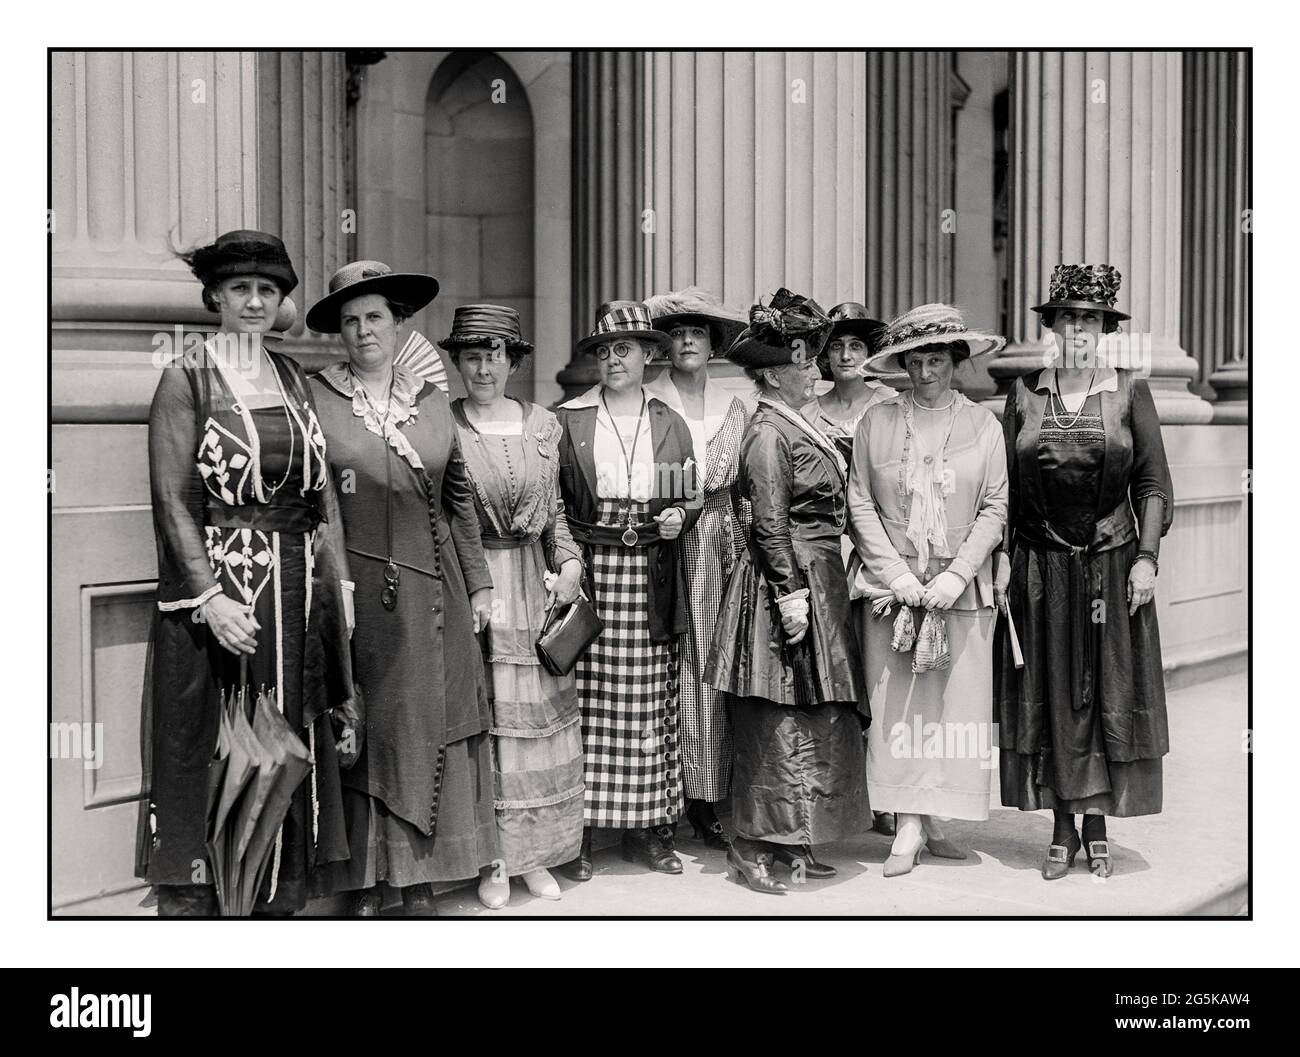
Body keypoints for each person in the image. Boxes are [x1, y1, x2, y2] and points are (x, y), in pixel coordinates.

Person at [137, 230, 360, 916]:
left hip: (296, 591)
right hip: (227, 601)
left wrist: (340, 586)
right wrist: (208, 598)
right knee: (221, 739)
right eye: (241, 289)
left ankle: (275, 895)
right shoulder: (188, 376)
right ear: (215, 297)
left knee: (287, 731)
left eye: (268, 290)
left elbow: (320, 489)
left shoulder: (293, 376)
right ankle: (212, 896)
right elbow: (173, 498)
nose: (256, 301)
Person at [307, 261, 499, 916]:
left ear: (398, 324)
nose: (364, 331)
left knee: (430, 725)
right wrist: (335, 585)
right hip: (359, 591)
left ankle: (420, 879)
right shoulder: (319, 398)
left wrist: (478, 583)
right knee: (373, 728)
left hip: (435, 591)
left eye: (375, 318)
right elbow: (318, 500)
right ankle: (368, 883)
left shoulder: (430, 401)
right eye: (351, 320)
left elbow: (458, 497)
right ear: (340, 330)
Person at [995, 264, 1174, 881]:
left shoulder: (1129, 391)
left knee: (1102, 691)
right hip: (1039, 568)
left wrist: (1146, 557)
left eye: (1090, 320)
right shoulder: (1023, 395)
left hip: (1111, 567)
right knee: (1050, 691)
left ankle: (1095, 825)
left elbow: (1151, 484)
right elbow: (1005, 491)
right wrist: (1000, 563)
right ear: (1052, 326)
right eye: (1068, 317)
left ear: (1103, 330)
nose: (1078, 329)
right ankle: (1060, 826)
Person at [705, 289, 870, 895]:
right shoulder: (767, 432)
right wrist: (789, 595)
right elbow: (767, 521)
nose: (815, 371)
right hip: (783, 583)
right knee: (772, 716)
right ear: (775, 375)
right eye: (804, 363)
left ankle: (793, 838)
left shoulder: (803, 423)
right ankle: (748, 844)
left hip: (819, 576)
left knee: (811, 715)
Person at [847, 304, 1009, 876]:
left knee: (955, 707)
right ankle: (907, 821)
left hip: (959, 587)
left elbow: (995, 506)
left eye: (936, 359)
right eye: (914, 360)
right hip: (893, 588)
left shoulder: (983, 426)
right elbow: (860, 502)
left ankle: (933, 812)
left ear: (956, 361)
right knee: (898, 703)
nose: (924, 371)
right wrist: (897, 576)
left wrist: (955, 574)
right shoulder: (877, 422)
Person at [445, 304, 587, 906]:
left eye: (495, 355)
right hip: (471, 583)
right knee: (489, 725)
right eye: (472, 355)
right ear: (458, 362)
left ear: (513, 360)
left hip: (533, 583)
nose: (484, 367)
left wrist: (572, 564)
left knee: (535, 725)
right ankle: (493, 860)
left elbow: (554, 513)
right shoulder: (442, 423)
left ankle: (536, 855)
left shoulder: (543, 426)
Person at [555, 301, 702, 878]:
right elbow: (557, 509)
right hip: (593, 570)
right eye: (605, 351)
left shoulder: (670, 420)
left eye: (626, 350)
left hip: (651, 575)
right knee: (588, 703)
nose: (614, 360)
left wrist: (678, 518)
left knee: (647, 704)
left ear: (648, 356)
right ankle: (582, 832)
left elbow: (687, 495)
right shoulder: (568, 419)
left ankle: (649, 830)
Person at [643, 287, 749, 849]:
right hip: (664, 541)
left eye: (698, 334)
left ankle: (712, 791)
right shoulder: (647, 398)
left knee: (717, 658)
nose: (687, 341)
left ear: (712, 345)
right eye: (679, 333)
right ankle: (667, 794)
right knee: (669, 662)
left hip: (723, 540)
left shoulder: (738, 402)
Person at [803, 300, 898, 837]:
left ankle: (885, 794)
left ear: (870, 353)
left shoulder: (889, 406)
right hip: (824, 552)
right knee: (834, 672)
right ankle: (833, 789)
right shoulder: (810, 409)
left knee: (878, 673)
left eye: (855, 346)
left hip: (878, 554)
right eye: (835, 346)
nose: (844, 355)